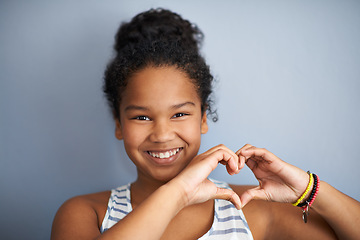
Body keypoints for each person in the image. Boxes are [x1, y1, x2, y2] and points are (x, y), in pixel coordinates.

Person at [51, 8, 360, 240]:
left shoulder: (247, 208)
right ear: (118, 123)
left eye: (180, 114)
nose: (161, 134)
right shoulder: (85, 213)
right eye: (141, 117)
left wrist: (310, 189)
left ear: (203, 118)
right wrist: (179, 192)